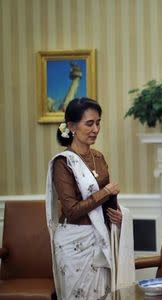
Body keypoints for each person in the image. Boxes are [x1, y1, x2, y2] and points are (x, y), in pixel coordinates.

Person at [45, 97, 135, 299]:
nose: (95, 129)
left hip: (101, 238)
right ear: (71, 126)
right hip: (75, 244)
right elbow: (71, 210)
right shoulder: (63, 163)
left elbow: (108, 201)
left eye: (98, 122)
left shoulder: (99, 157)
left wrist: (119, 215)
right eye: (89, 123)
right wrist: (105, 192)